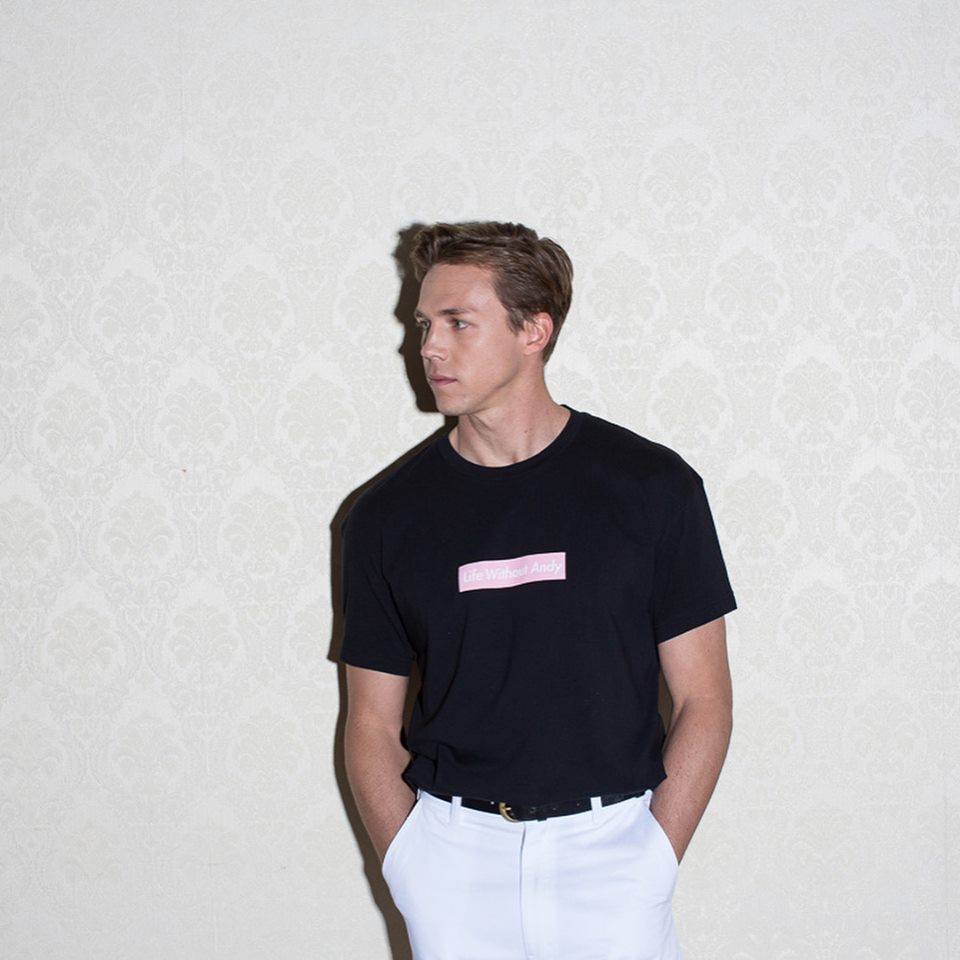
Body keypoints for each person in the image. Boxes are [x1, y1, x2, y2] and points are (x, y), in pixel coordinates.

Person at [340, 221, 736, 960]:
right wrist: (412, 865)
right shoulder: (386, 517)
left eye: (458, 322)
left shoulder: (653, 489)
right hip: (453, 862)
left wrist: (653, 858)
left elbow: (704, 699)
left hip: (614, 854)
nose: (428, 347)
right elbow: (369, 723)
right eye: (425, 325)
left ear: (534, 329)